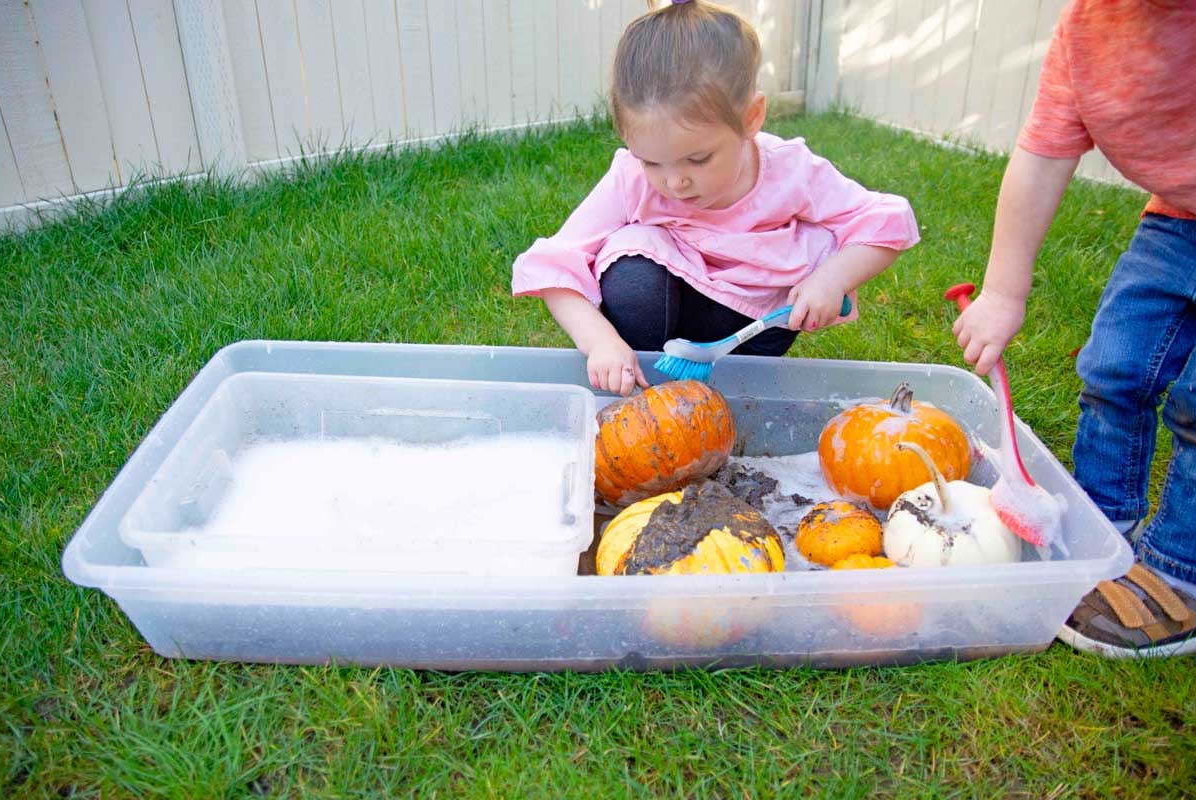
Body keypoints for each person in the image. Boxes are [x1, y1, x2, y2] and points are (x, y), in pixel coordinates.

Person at [511, 0, 919, 397]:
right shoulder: (631, 177)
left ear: (751, 118)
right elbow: (554, 266)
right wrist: (600, 342)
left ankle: (738, 391)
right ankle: (644, 391)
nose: (675, 183)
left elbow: (886, 221)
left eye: (698, 159)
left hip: (756, 320)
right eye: (652, 162)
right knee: (631, 271)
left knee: (741, 394)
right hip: (666, 311)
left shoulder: (789, 170)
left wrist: (832, 279)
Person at [952, 0, 1196, 657]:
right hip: (1179, 218)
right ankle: (1101, 520)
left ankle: (1180, 569)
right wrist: (1003, 291)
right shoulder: (1085, 31)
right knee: (1115, 364)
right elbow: (1040, 156)